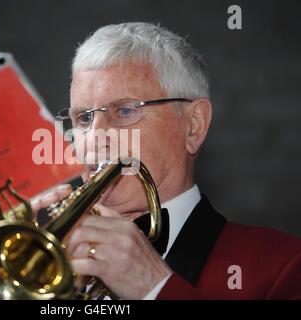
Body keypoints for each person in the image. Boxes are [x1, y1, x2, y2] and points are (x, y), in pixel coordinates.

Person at [31, 22, 301, 299]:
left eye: (124, 111)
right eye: (84, 118)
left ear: (194, 125)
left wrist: (155, 287)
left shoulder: (284, 265)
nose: (95, 137)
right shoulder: (50, 271)